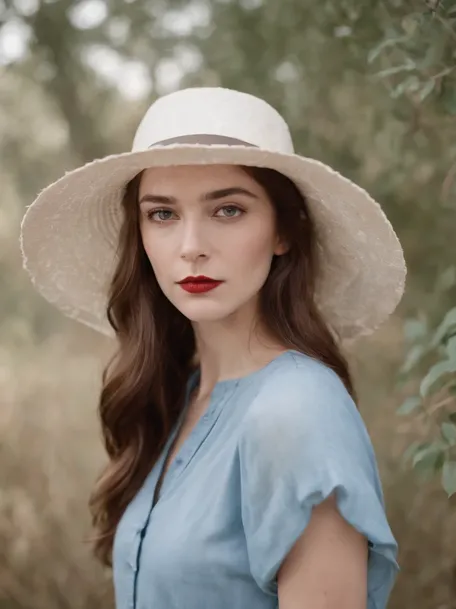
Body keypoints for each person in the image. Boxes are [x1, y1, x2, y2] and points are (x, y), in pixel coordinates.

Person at [20, 86, 406, 609]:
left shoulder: (296, 411)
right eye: (162, 214)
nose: (191, 245)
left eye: (227, 210)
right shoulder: (183, 393)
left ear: (283, 231)